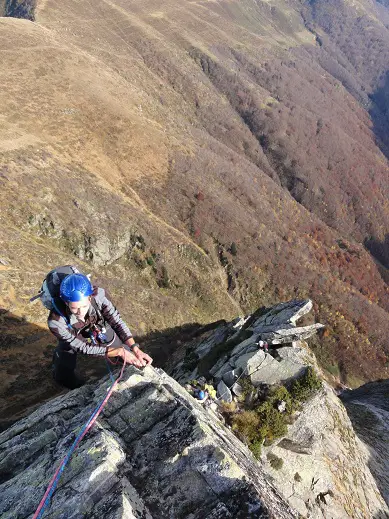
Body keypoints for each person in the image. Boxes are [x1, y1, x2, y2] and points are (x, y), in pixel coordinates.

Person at [48, 273, 152, 389]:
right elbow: (83, 347)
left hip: (96, 322)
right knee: (64, 365)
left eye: (84, 306)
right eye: (74, 308)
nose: (80, 312)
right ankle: (75, 386)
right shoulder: (57, 322)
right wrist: (118, 352)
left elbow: (117, 322)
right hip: (72, 330)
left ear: (90, 297)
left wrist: (135, 348)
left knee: (123, 350)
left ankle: (133, 365)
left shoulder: (100, 297)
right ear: (66, 303)